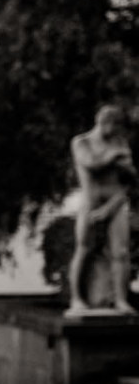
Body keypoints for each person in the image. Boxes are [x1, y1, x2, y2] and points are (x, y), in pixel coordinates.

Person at [68, 104, 135, 315]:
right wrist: (116, 156)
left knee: (121, 252)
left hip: (116, 201)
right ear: (104, 123)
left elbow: (131, 176)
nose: (116, 133)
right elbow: (92, 163)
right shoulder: (82, 142)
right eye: (114, 127)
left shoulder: (119, 142)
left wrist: (124, 164)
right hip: (91, 201)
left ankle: (121, 300)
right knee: (84, 248)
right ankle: (77, 298)